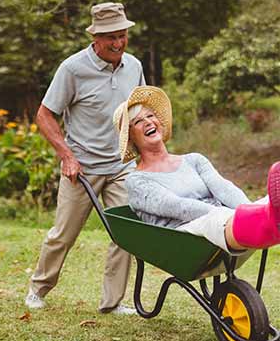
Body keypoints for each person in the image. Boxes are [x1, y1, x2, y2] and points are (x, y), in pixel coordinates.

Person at [25, 2, 145, 314]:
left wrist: (146, 154)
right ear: (95, 38)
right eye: (111, 38)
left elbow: (140, 111)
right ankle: (38, 289)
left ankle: (112, 302)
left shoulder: (133, 66)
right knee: (63, 234)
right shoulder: (73, 69)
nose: (118, 43)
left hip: (121, 166)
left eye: (122, 36)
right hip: (82, 167)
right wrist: (66, 155)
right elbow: (44, 114)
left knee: (125, 234)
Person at [112, 85, 280, 253]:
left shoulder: (194, 160)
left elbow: (224, 189)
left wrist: (249, 209)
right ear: (130, 137)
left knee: (264, 203)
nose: (148, 122)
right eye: (138, 121)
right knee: (215, 221)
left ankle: (268, 218)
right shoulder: (137, 181)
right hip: (184, 235)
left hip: (222, 222)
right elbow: (177, 207)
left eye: (150, 116)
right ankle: (266, 221)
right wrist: (234, 215)